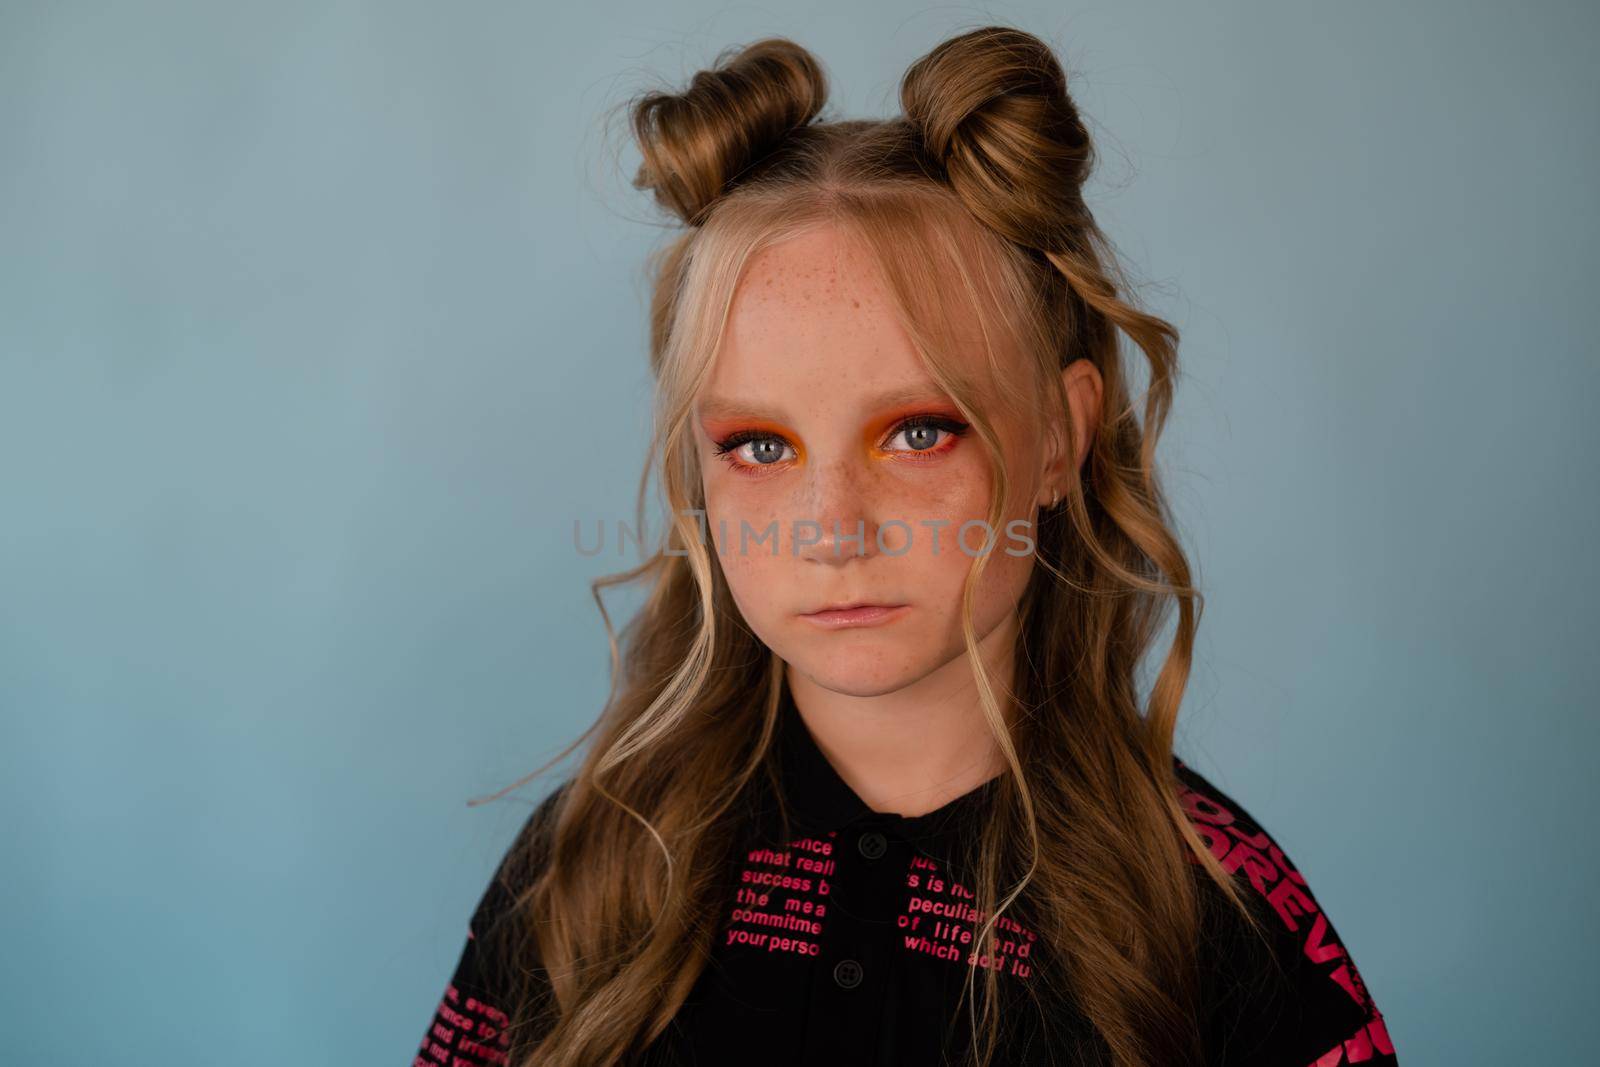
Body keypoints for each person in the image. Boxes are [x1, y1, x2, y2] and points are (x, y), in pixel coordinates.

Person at [413, 25, 1397, 1067]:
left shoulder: (1221, 912)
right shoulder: (590, 871)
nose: (833, 528)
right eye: (759, 444)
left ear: (1059, 434)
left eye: (918, 432)